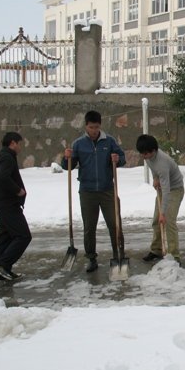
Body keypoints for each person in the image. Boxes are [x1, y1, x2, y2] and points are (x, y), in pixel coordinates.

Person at [62, 110, 126, 273]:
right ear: (86, 126)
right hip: (87, 191)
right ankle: (91, 258)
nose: (94, 130)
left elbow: (122, 158)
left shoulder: (109, 141)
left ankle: (118, 254)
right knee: (89, 227)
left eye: (97, 127)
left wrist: (117, 159)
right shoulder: (78, 144)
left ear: (100, 126)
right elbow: (67, 167)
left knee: (115, 224)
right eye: (91, 127)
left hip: (107, 190)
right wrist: (67, 158)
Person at [136, 135, 185, 265]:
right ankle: (156, 250)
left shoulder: (162, 162)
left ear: (154, 150)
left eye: (146, 153)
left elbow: (167, 190)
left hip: (174, 190)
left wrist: (163, 213)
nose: (144, 156)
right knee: (156, 221)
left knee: (168, 221)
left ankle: (174, 256)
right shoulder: (148, 157)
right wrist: (155, 178)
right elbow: (153, 169)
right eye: (142, 154)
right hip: (164, 188)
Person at [0, 132, 31, 281]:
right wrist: (18, 190)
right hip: (8, 205)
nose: (21, 147)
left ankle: (3, 272)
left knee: (6, 237)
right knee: (23, 235)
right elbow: (2, 177)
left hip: (1, 204)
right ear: (13, 143)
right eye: (20, 143)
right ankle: (2, 264)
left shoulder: (2, 156)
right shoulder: (7, 157)